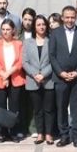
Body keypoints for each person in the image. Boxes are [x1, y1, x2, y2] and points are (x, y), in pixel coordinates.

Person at [50, 5, 77, 147]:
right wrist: (61, 72)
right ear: (62, 17)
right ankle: (64, 135)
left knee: (76, 108)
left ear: (76, 17)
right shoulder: (55, 33)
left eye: (72, 17)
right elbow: (52, 55)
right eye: (67, 17)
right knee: (61, 108)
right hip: (60, 77)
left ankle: (76, 136)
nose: (70, 20)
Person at [22, 14, 56, 144]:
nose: (41, 27)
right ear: (34, 27)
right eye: (38, 25)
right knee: (37, 109)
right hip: (33, 80)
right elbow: (25, 62)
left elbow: (54, 60)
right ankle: (40, 133)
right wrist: (35, 74)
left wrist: (44, 74)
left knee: (48, 109)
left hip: (48, 80)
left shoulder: (51, 40)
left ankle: (49, 133)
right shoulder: (28, 42)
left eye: (43, 24)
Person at [0, 18, 25, 143]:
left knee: (14, 107)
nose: (5, 32)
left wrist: (8, 74)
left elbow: (20, 61)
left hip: (15, 77)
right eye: (3, 29)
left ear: (13, 30)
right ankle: (3, 133)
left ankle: (14, 132)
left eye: (8, 29)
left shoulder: (19, 44)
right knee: (0, 107)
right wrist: (3, 74)